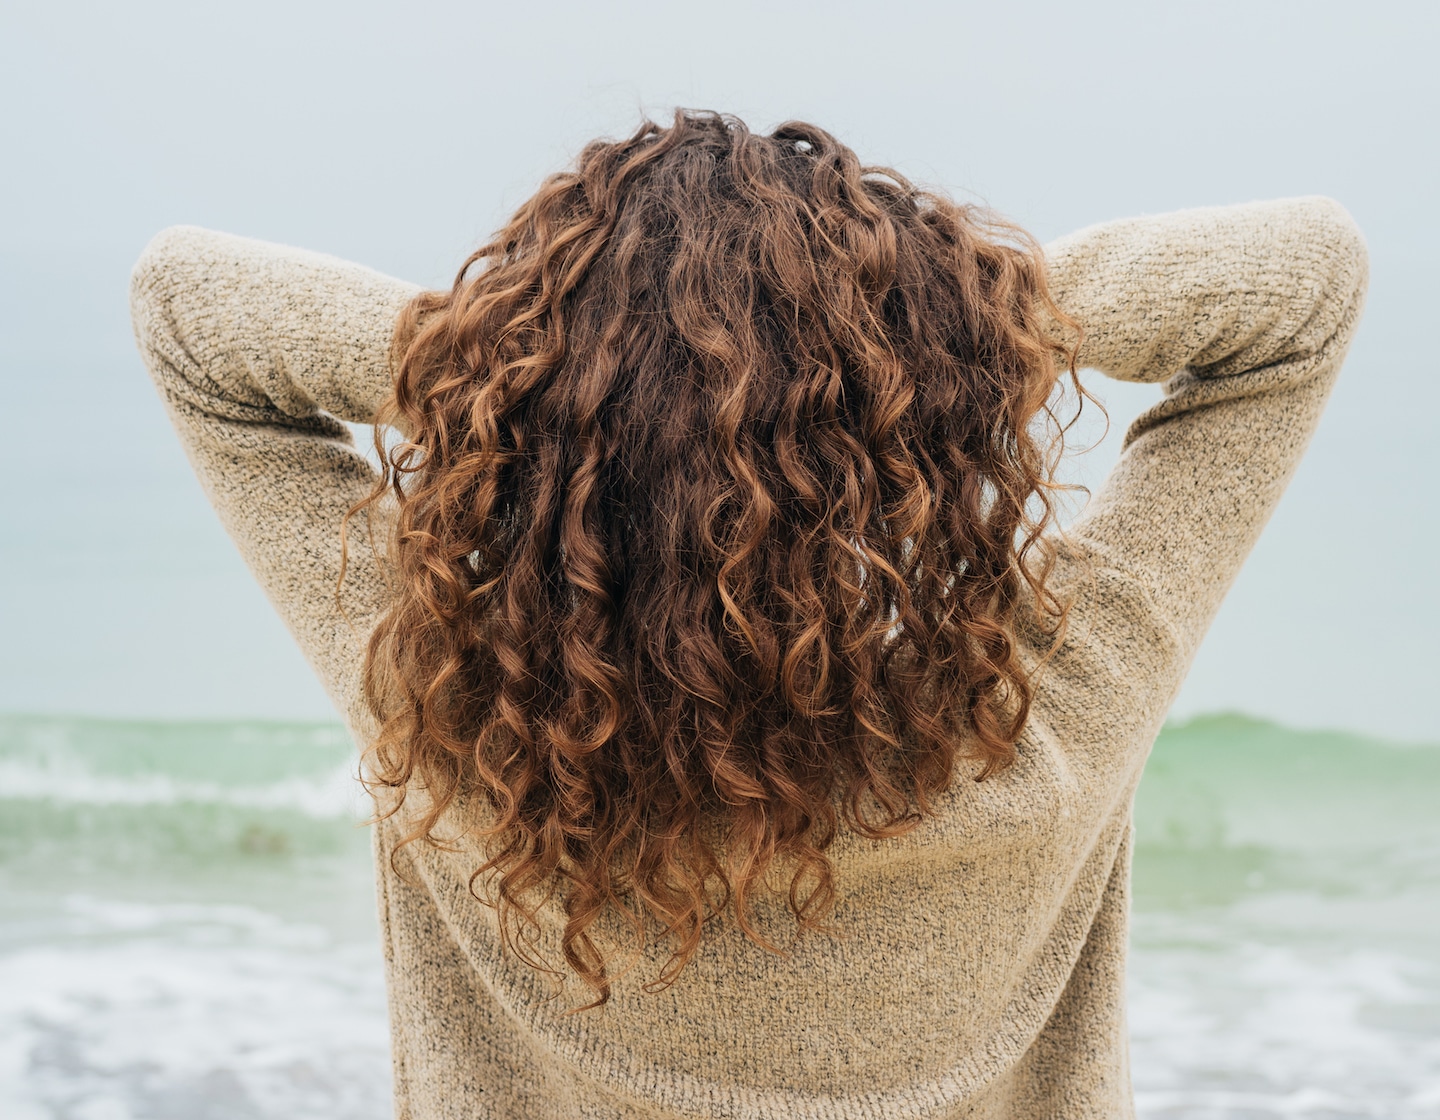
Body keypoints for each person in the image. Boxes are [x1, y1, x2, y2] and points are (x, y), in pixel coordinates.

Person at [129, 110, 1367, 1120]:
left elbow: (190, 311)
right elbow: (1305, 284)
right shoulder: (1043, 737)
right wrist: (927, 331)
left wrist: (534, 358)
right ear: (880, 449)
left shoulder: (461, 731)